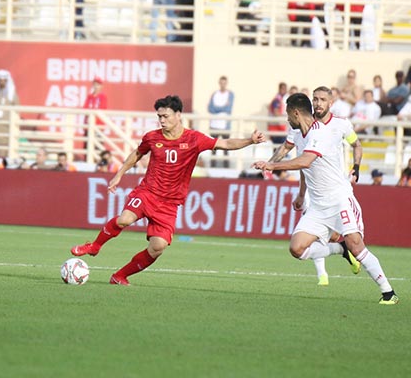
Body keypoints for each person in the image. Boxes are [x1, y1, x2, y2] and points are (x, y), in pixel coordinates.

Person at [71, 95, 265, 285]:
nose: (162, 121)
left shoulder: (194, 139)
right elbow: (138, 153)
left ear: (178, 114)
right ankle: (95, 246)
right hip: (148, 192)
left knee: (157, 247)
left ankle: (120, 276)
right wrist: (119, 174)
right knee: (125, 219)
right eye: (159, 117)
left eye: (166, 116)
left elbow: (225, 144)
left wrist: (250, 140)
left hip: (170, 203)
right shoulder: (152, 137)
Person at [254, 93, 398, 304]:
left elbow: (305, 161)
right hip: (318, 205)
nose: (286, 119)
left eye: (287, 114)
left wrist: (272, 166)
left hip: (339, 199)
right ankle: (341, 249)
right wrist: (302, 194)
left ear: (295, 113)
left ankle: (388, 292)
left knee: (357, 247)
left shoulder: (320, 133)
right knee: (297, 248)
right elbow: (304, 167)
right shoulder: (299, 134)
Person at [266, 86, 363, 285]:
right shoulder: (301, 128)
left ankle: (343, 252)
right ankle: (323, 275)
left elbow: (357, 145)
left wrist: (356, 166)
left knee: (338, 236)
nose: (318, 103)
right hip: (313, 188)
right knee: (308, 237)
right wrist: (271, 166)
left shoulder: (340, 125)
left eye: (322, 99)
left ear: (331, 102)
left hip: (335, 188)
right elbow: (292, 151)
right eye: (315, 99)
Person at [208, 76, 235, 167]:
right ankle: (213, 166)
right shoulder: (214, 94)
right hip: (214, 125)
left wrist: (217, 108)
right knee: (213, 147)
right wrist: (221, 108)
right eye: (221, 83)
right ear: (219, 83)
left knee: (226, 147)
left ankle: (226, 166)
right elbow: (210, 108)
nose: (223, 85)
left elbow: (228, 109)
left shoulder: (230, 94)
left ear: (226, 83)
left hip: (224, 125)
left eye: (224, 83)